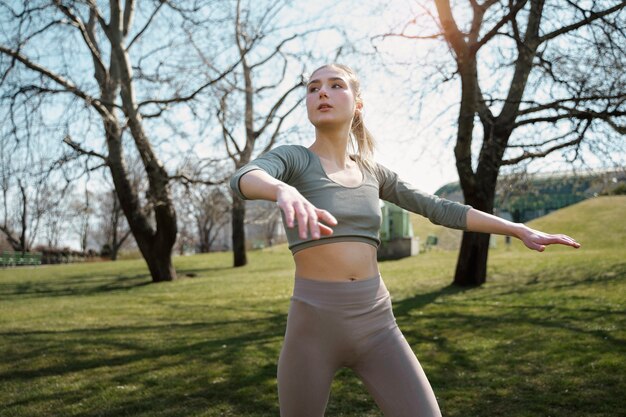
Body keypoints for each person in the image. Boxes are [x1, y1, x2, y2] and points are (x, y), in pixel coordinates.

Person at [229, 63, 580, 417]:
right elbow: (244, 176)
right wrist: (281, 190)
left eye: (336, 85)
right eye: (313, 87)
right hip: (312, 329)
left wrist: (518, 229)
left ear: (358, 104)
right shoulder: (295, 159)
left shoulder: (373, 172)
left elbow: (441, 208)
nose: (322, 92)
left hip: (377, 324)